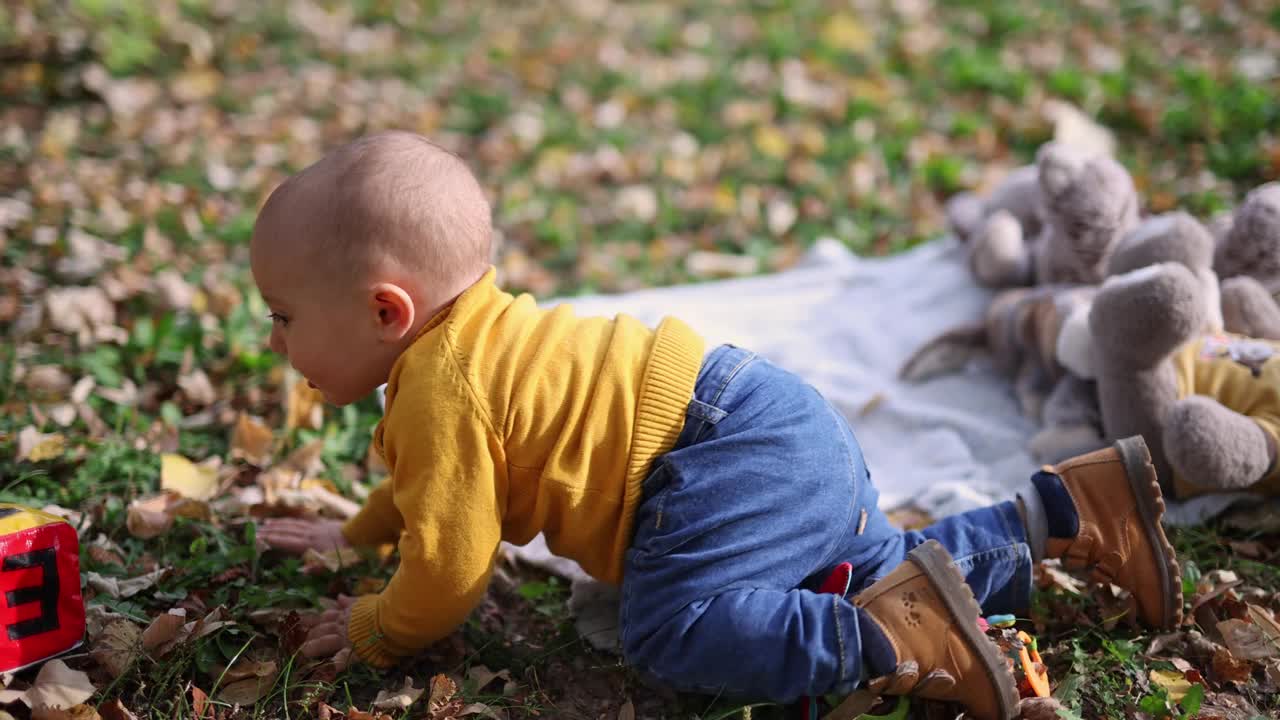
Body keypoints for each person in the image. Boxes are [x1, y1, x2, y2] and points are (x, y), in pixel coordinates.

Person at [252, 130, 1183, 720]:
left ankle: (890, 643)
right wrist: (356, 529)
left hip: (710, 460)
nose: (278, 339)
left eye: (285, 316)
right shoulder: (471, 344)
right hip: (767, 419)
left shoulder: (438, 390)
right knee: (850, 564)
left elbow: (450, 568)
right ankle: (1065, 511)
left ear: (386, 313)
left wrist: (379, 629)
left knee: (671, 629)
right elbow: (433, 493)